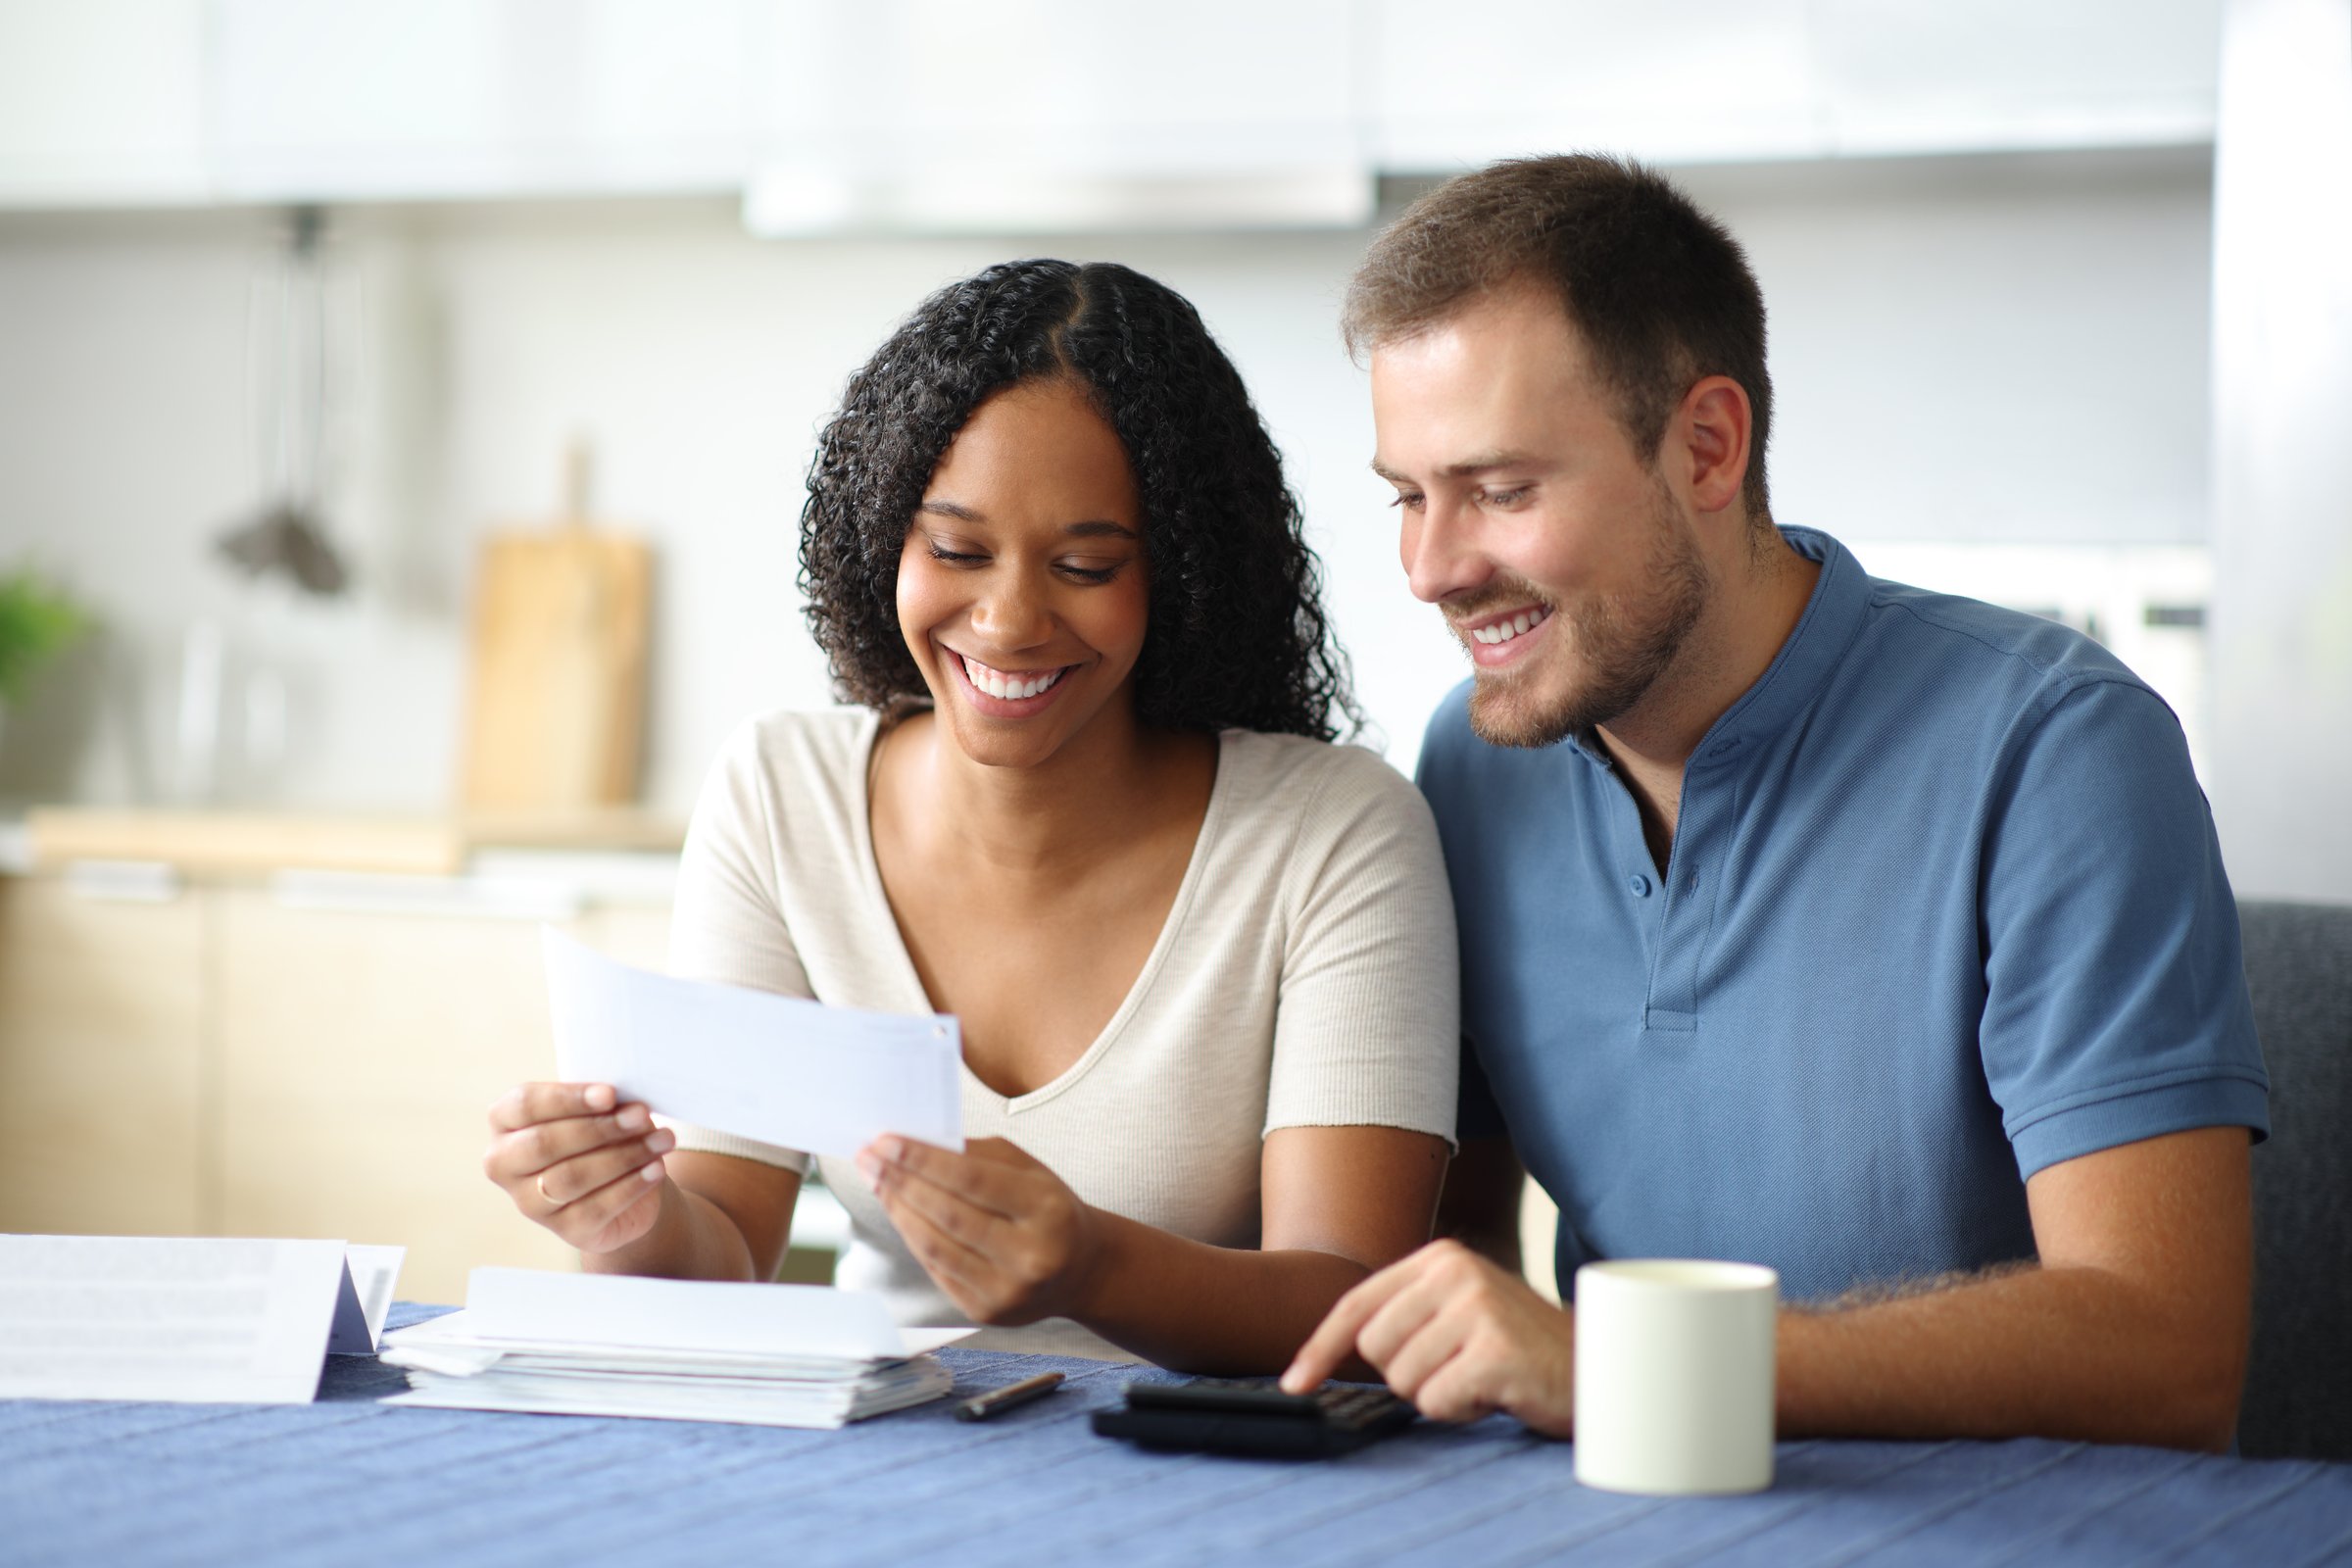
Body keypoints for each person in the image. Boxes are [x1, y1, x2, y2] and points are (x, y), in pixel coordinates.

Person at [1283, 155, 2269, 1451]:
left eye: (1502, 491)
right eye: (1409, 497)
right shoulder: (1473, 766)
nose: (1431, 569)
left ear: (1707, 446)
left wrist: (1635, 1368)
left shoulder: (2057, 750)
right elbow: (1456, 1247)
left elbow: (2167, 1349)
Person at [483, 259, 1458, 1368]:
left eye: (1086, 564)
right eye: (955, 551)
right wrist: (629, 1219)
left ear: (1181, 576)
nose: (1006, 620)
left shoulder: (1332, 835)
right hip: (893, 1465)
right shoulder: (780, 799)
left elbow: (1357, 1303)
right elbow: (726, 1249)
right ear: (886, 536)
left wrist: (1092, 1265)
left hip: (1208, 1477)